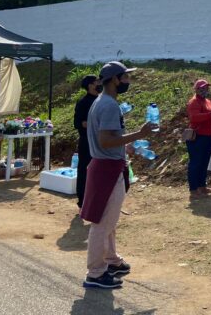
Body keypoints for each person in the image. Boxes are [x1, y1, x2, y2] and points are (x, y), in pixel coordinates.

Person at [81, 61, 153, 290]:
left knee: (109, 220)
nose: (128, 81)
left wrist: (124, 147)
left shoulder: (102, 102)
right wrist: (138, 134)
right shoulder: (109, 105)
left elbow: (108, 140)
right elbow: (105, 141)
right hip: (107, 169)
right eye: (125, 77)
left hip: (107, 165)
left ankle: (110, 260)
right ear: (114, 79)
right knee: (102, 223)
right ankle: (95, 272)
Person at [185, 79, 211, 199]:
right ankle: (193, 190)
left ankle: (202, 186)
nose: (204, 90)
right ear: (196, 89)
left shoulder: (208, 101)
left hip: (209, 136)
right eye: (202, 88)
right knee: (195, 163)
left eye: (206, 88)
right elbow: (194, 118)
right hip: (197, 137)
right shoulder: (194, 102)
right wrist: (210, 115)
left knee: (205, 162)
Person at [73, 75, 101, 208]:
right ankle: (82, 200)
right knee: (84, 170)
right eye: (97, 82)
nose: (99, 84)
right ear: (90, 85)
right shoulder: (83, 102)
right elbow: (78, 123)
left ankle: (96, 199)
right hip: (87, 142)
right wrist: (95, 124)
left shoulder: (102, 100)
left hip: (101, 141)